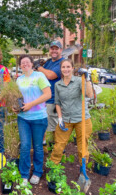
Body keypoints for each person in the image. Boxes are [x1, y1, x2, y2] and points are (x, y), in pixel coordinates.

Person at [15, 55, 51, 185]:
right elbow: (18, 98)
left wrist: (31, 104)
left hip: (39, 118)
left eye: (27, 62)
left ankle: (37, 172)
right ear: (20, 66)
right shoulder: (19, 80)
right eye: (22, 63)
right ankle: (24, 174)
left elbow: (48, 94)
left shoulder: (39, 76)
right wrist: (16, 108)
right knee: (24, 146)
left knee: (37, 146)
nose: (25, 64)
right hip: (23, 118)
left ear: (31, 64)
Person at [50, 59, 93, 169]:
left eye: (68, 67)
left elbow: (89, 94)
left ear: (72, 68)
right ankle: (53, 168)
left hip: (82, 119)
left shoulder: (79, 80)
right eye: (63, 67)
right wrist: (60, 118)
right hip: (66, 119)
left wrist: (87, 79)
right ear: (61, 69)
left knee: (82, 146)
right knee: (59, 145)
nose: (66, 69)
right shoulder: (58, 85)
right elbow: (57, 102)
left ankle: (83, 169)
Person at [35, 40, 64, 145]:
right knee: (42, 125)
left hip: (54, 99)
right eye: (52, 48)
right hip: (43, 99)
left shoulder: (62, 63)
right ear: (50, 50)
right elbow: (39, 75)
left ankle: (59, 149)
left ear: (61, 50)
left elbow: (51, 75)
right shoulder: (48, 63)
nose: (54, 51)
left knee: (55, 127)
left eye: (57, 49)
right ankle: (44, 146)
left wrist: (39, 67)